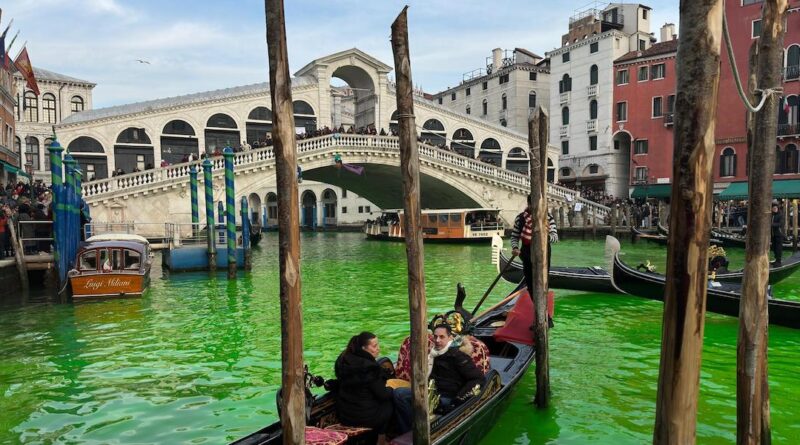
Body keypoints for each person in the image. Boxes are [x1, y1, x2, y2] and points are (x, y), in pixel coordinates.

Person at [393, 324, 483, 434]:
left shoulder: (458, 356)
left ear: (450, 338)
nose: (437, 340)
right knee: (399, 394)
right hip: (430, 391)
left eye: (442, 337)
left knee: (434, 403)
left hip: (448, 397)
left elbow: (477, 378)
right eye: (435, 337)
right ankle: (408, 430)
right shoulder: (433, 354)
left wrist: (459, 398)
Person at [334, 332, 394, 442]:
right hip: (364, 418)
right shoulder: (370, 367)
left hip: (344, 415)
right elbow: (383, 395)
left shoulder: (343, 361)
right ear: (363, 348)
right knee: (388, 404)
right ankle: (381, 439)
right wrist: (391, 389)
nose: (378, 349)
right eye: (374, 346)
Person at [510, 194, 559, 297]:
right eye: (534, 204)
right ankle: (537, 307)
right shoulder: (520, 218)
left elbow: (555, 237)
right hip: (527, 254)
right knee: (530, 283)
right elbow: (514, 237)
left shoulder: (548, 217)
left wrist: (545, 237)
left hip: (544, 253)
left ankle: (542, 309)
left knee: (543, 282)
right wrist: (515, 248)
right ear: (529, 204)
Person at [772, 200, 784, 266]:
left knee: (778, 248)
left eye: (775, 208)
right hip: (773, 235)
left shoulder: (780, 215)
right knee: (774, 248)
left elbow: (780, 224)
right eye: (773, 208)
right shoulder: (772, 215)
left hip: (779, 235)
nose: (774, 209)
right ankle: (776, 259)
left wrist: (771, 224)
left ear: (777, 208)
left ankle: (778, 261)